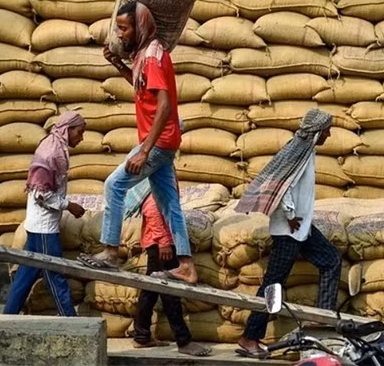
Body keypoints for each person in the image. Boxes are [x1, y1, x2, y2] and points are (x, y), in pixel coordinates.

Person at [78, 1, 197, 284]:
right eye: (118, 28)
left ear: (140, 26)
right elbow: (140, 85)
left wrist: (144, 151)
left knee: (114, 184)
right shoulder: (145, 54)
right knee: (169, 204)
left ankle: (110, 250)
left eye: (124, 28)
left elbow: (165, 106)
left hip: (158, 142)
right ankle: (187, 265)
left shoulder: (154, 57)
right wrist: (118, 63)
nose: (120, 34)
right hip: (162, 142)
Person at [234, 109, 342, 360]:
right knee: (273, 283)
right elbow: (284, 186)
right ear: (317, 131)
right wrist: (291, 215)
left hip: (300, 228)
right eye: (327, 129)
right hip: (289, 229)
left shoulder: (305, 150)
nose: (330, 134)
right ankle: (250, 337)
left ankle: (322, 320)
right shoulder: (298, 152)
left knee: (331, 260)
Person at [3, 111, 87, 316]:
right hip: (43, 228)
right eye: (80, 132)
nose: (81, 138)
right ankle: (72, 322)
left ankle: (5, 317)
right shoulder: (50, 152)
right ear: (68, 129)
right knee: (55, 275)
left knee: (25, 276)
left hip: (38, 224)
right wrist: (69, 206)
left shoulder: (56, 147)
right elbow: (40, 193)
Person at [132, 189, 212, 357]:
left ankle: (141, 336)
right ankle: (183, 341)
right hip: (161, 244)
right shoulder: (157, 171)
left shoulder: (160, 171)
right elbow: (152, 209)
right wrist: (164, 242)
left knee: (150, 290)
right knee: (169, 291)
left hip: (156, 241)